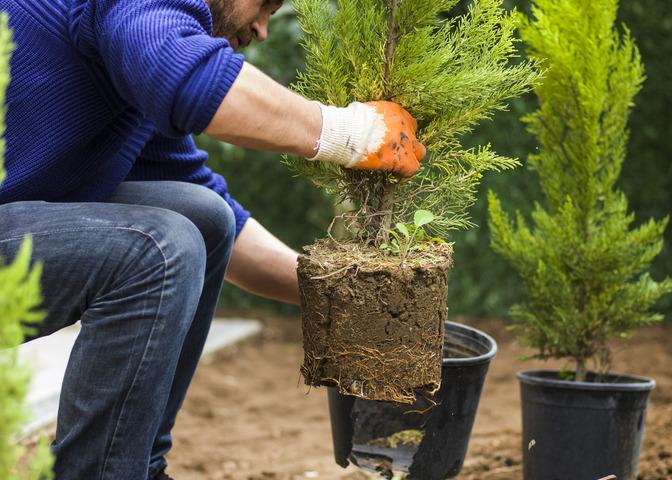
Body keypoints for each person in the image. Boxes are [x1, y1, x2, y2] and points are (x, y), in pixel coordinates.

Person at [0, 0, 426, 478]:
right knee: (158, 248)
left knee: (202, 216)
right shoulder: (143, 23)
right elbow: (188, 79)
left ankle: (139, 465)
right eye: (264, 3)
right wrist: (352, 133)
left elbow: (216, 214)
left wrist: (339, 297)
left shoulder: (128, 61)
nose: (263, 29)